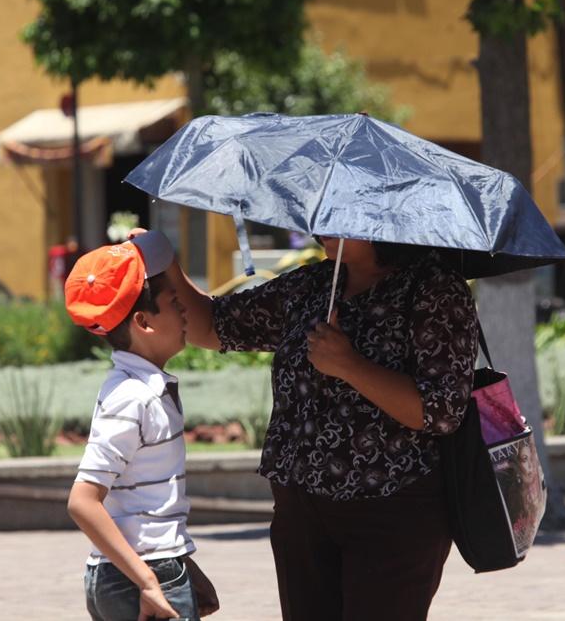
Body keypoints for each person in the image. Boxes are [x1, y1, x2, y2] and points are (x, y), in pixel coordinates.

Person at [132, 229, 477, 621]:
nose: (320, 227)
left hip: (393, 512)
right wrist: (166, 262)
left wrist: (349, 365)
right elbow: (214, 326)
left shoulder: (435, 289)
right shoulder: (314, 283)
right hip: (302, 513)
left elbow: (440, 411)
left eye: (338, 214)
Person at [64, 233, 218, 621]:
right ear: (144, 322)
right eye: (174, 303)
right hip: (141, 576)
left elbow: (147, 508)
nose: (185, 311)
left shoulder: (141, 389)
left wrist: (184, 566)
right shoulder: (133, 396)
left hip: (150, 568)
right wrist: (149, 582)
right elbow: (83, 501)